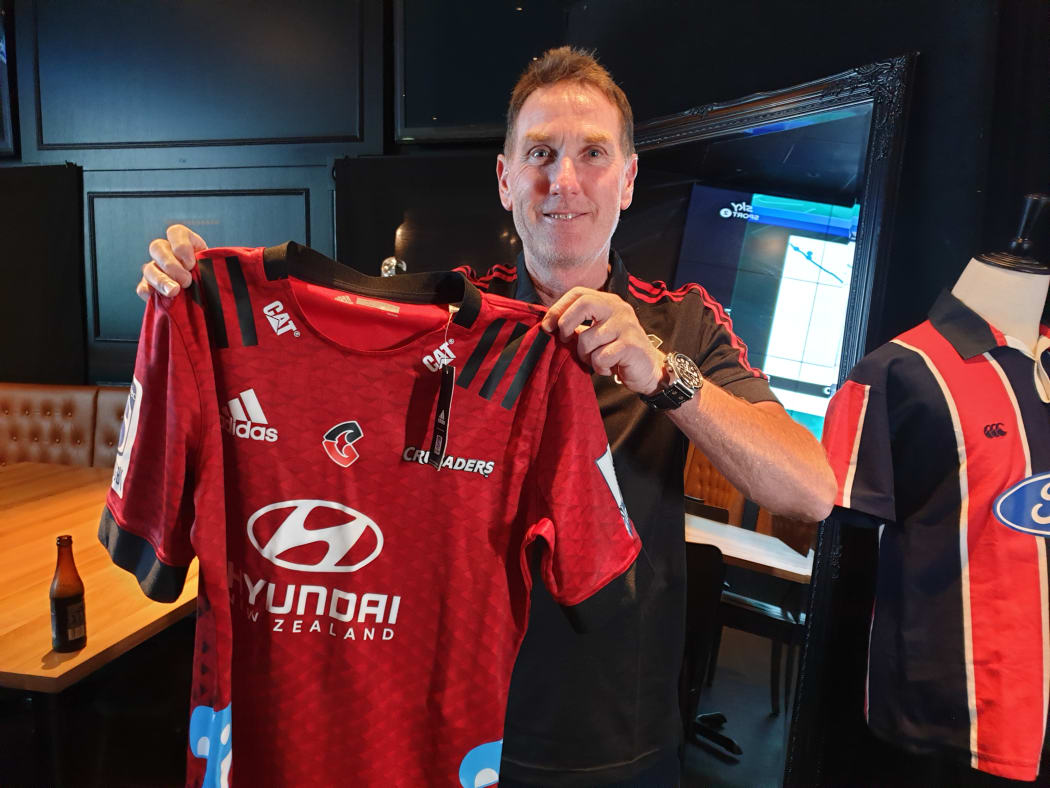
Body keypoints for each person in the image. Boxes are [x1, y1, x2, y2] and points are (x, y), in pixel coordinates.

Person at [138, 46, 835, 787]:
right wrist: (197, 296)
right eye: (539, 153)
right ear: (505, 180)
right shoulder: (446, 320)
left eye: (592, 153)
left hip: (613, 736)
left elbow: (809, 489)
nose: (562, 180)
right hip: (444, 731)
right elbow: (321, 371)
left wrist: (663, 373)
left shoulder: (684, 323)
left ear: (628, 180)